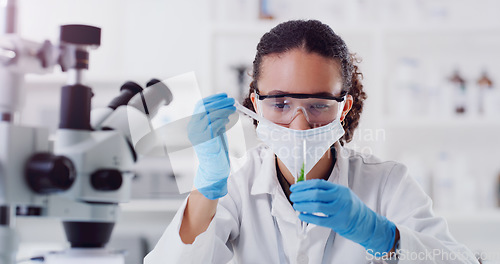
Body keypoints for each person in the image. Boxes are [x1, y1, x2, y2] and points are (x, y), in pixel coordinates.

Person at [145, 20, 478, 264]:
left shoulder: (387, 183)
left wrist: (382, 236)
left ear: (343, 108)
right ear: (255, 105)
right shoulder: (237, 183)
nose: (300, 124)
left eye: (319, 105)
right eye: (280, 104)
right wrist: (207, 186)